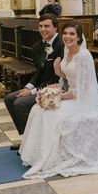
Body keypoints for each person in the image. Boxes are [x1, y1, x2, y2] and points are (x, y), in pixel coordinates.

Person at [19, 22, 98, 179]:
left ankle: (50, 158)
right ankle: (36, 155)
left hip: (82, 101)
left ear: (78, 37)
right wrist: (59, 72)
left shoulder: (84, 56)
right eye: (66, 33)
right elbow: (71, 77)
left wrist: (60, 96)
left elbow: (82, 89)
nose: (68, 37)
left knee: (52, 115)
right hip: (71, 95)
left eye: (72, 34)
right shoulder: (67, 50)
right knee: (38, 109)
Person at [4, 14, 64, 143]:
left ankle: (34, 141)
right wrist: (28, 87)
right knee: (9, 98)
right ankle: (26, 138)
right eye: (41, 26)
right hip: (42, 86)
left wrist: (32, 92)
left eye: (47, 26)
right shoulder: (37, 47)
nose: (43, 29)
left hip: (57, 87)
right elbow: (39, 73)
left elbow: (55, 78)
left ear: (56, 28)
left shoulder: (62, 46)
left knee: (20, 103)